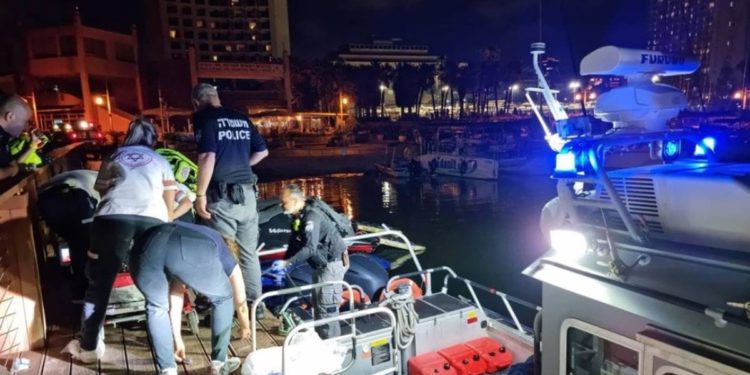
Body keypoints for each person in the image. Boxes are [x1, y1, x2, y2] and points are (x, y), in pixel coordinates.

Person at [64, 119, 177, 363]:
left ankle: (90, 346)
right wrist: (165, 224)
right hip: (151, 218)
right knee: (156, 281)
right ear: (153, 139)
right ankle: (166, 353)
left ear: (128, 136)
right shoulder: (161, 161)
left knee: (99, 284)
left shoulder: (113, 156)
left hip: (111, 218)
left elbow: (102, 192)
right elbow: (169, 198)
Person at [129, 222, 250, 375]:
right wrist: (245, 327)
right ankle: (220, 364)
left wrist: (178, 340)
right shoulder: (226, 255)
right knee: (223, 297)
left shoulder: (198, 233)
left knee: (156, 308)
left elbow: (175, 298)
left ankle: (167, 369)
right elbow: (241, 304)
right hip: (183, 247)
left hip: (142, 246)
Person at [191, 83, 269, 317]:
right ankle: (256, 305)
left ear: (196, 102)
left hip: (221, 197)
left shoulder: (204, 119)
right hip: (247, 195)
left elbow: (206, 156)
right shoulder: (240, 118)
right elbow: (263, 152)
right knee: (248, 254)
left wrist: (200, 194)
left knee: (223, 254)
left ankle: (228, 308)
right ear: (217, 97)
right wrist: (242, 165)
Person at [274, 184, 349, 338]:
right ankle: (321, 341)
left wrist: (287, 262)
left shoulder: (311, 217)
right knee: (318, 305)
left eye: (285, 202)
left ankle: (332, 346)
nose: (282, 205)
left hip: (331, 265)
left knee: (327, 310)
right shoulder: (299, 216)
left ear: (295, 202)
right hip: (321, 266)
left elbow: (310, 248)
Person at [37, 169, 100, 299]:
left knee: (76, 241)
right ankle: (84, 291)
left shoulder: (92, 176)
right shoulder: (107, 185)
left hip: (46, 200)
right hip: (72, 198)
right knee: (83, 244)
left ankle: (77, 285)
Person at [0, 94, 42, 181]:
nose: (25, 126)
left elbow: (14, 164)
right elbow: (12, 168)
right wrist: (11, 170)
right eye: (24, 121)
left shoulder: (4, 136)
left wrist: (33, 144)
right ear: (10, 116)